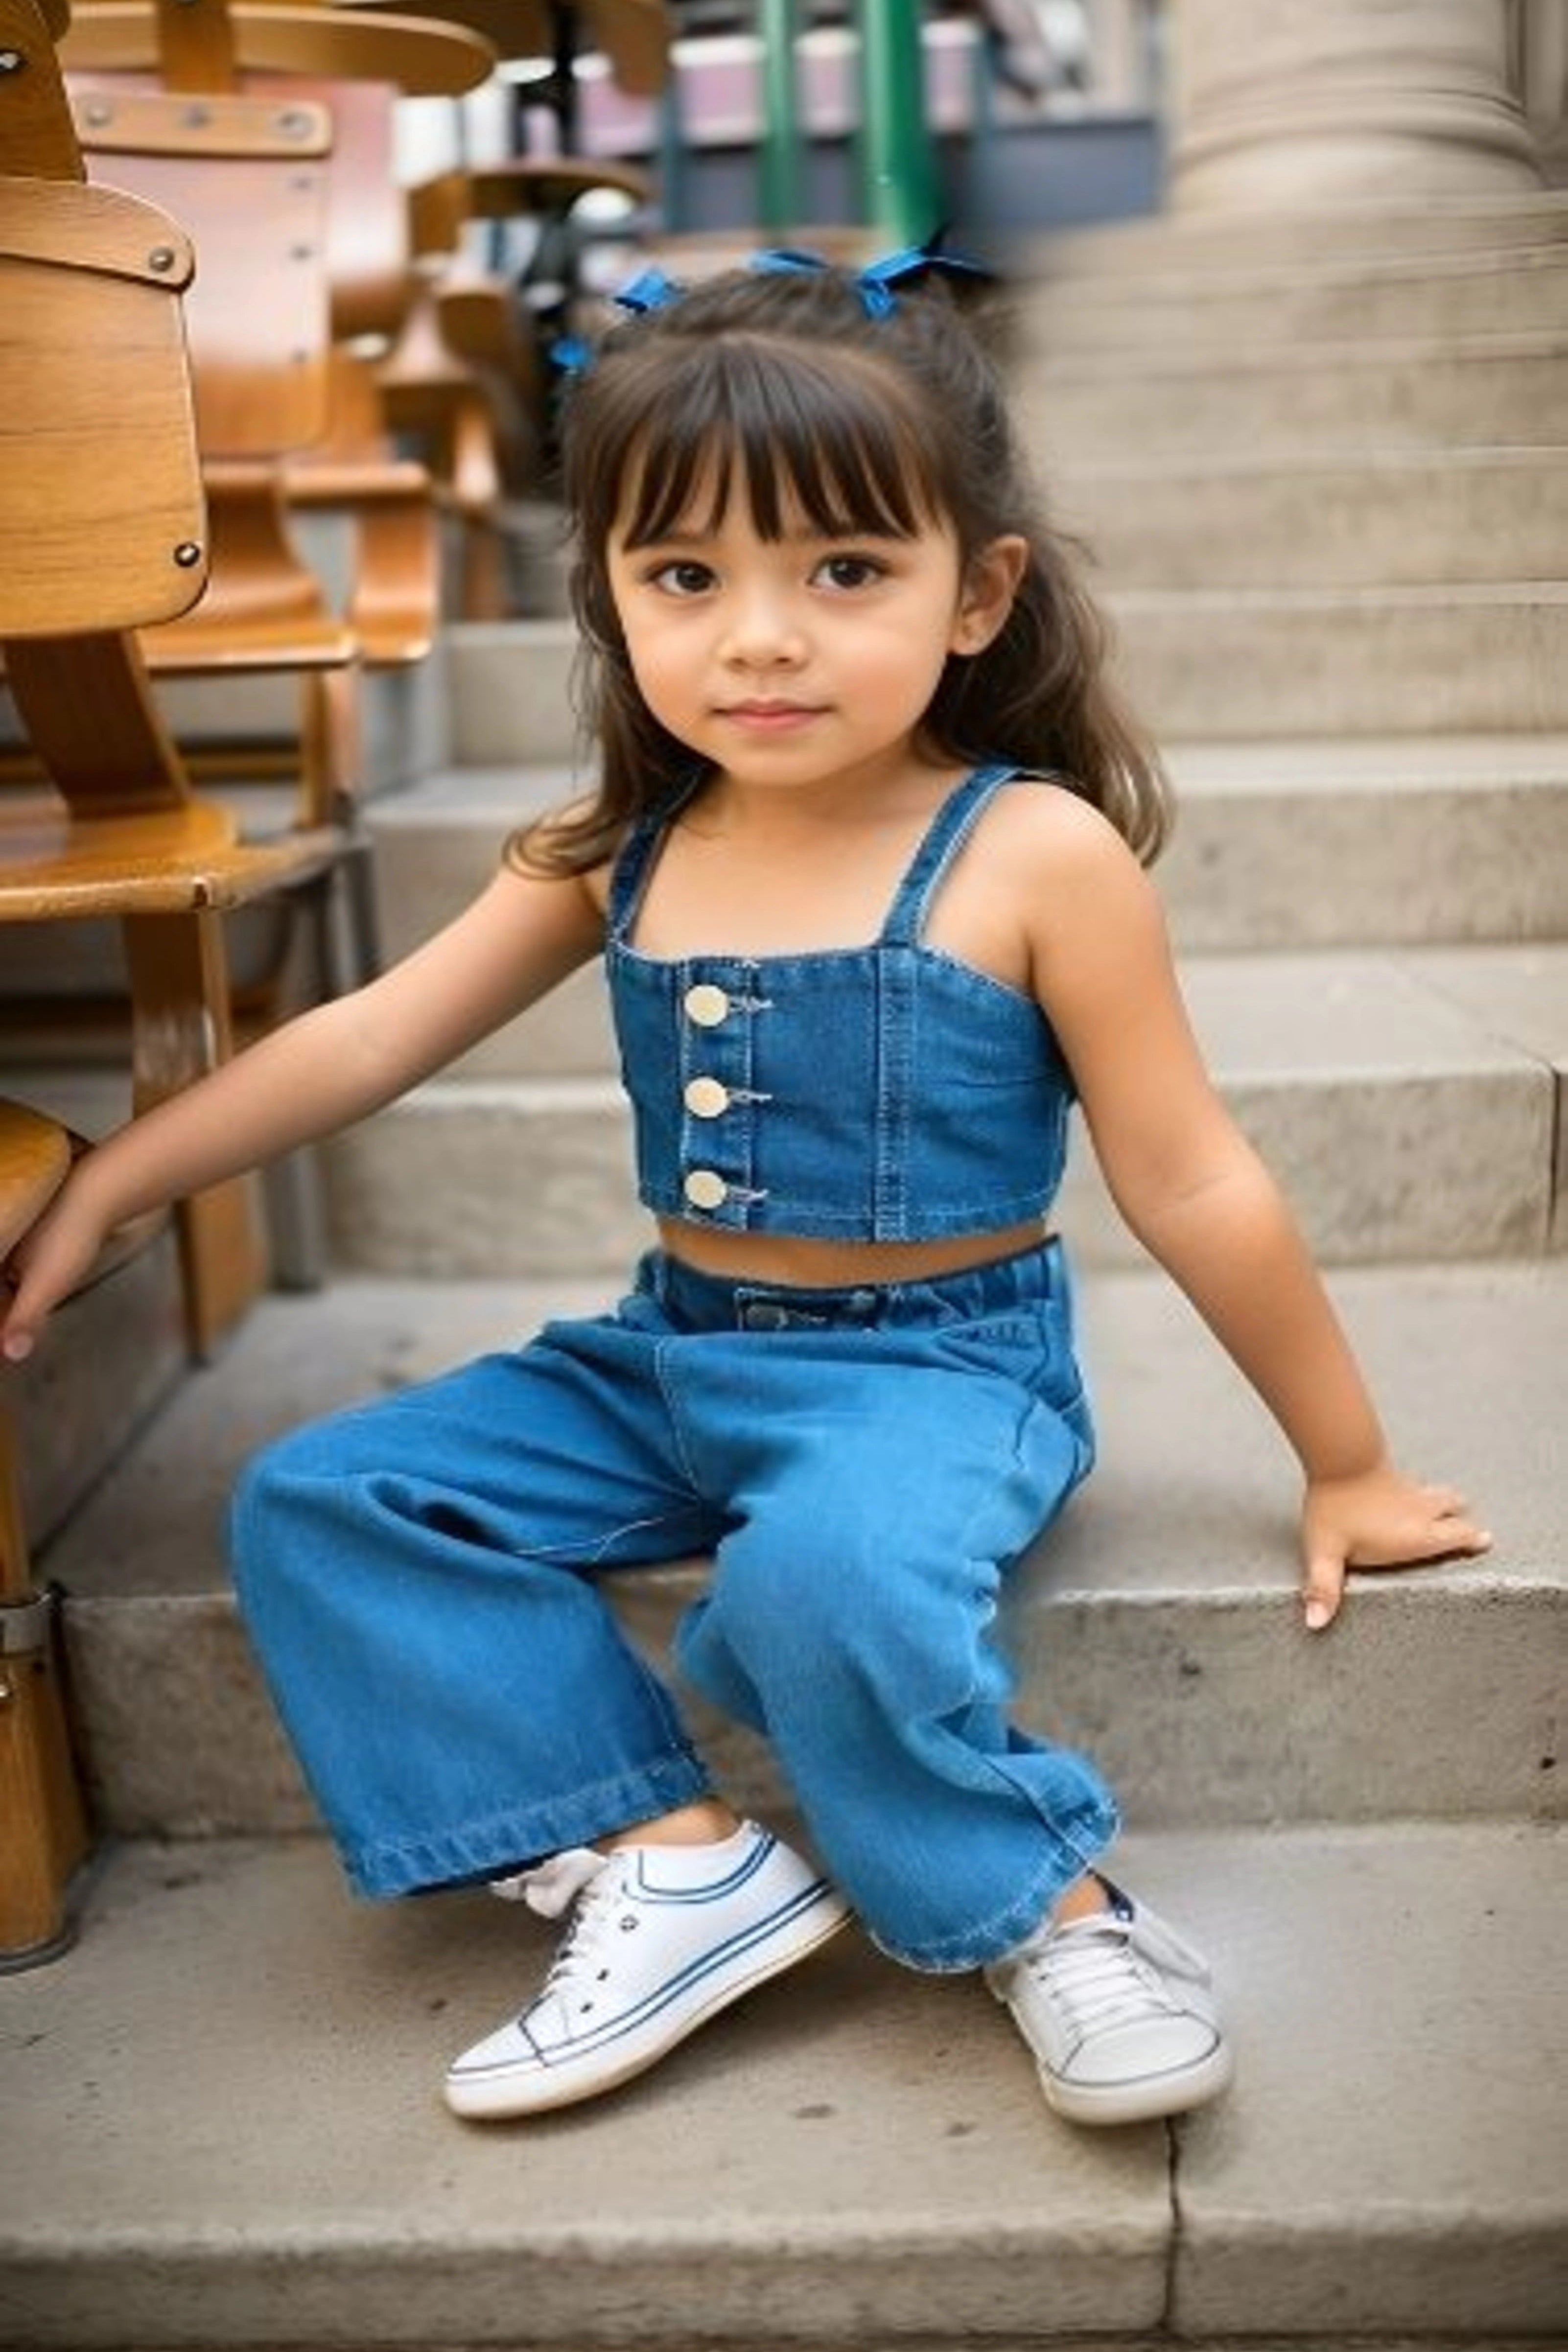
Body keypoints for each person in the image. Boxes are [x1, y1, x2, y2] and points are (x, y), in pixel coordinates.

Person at [1, 248, 1490, 2131]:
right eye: (684, 577)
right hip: (671, 1355)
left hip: (937, 1373)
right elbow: (374, 1036)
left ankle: (1050, 1902)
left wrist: (1340, 1458)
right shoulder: (627, 835)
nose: (760, 637)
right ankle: (672, 1853)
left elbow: (1190, 1176)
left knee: (825, 1590)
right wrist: (112, 1178)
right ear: (610, 598)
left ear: (980, 593)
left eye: (843, 572)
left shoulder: (1028, 854)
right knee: (326, 1497)